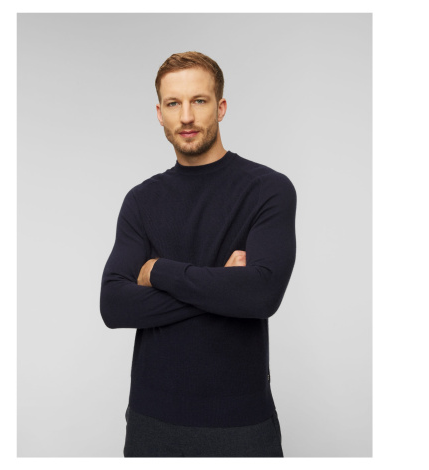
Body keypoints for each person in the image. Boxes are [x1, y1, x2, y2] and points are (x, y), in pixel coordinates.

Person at [99, 51, 297, 457]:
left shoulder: (268, 189)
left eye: (199, 101)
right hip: (152, 422)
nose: (186, 116)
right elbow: (114, 305)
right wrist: (223, 283)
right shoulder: (141, 200)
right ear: (160, 114)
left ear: (220, 107)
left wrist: (157, 270)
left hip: (242, 423)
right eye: (174, 103)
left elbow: (261, 295)